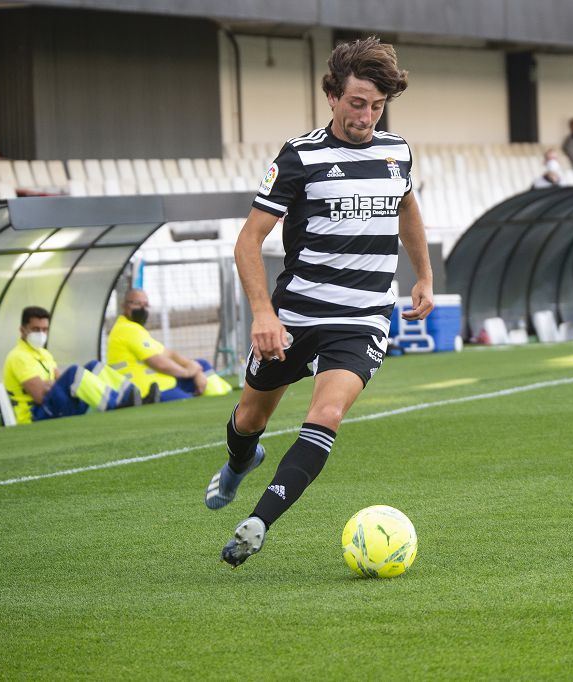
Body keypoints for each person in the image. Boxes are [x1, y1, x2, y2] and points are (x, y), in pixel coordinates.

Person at [205, 36, 434, 568]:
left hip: (363, 318)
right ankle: (240, 463)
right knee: (249, 420)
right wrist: (264, 313)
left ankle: (259, 521)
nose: (367, 116)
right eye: (357, 103)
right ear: (332, 95)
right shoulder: (300, 156)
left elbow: (407, 209)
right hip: (296, 315)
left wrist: (423, 276)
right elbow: (247, 241)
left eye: (377, 106)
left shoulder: (396, 151)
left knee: (327, 413)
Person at [3, 306, 142, 425]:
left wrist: (49, 383)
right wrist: (53, 383)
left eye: (45, 329)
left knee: (94, 366)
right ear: (22, 330)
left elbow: (58, 379)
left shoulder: (44, 354)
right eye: (36, 329)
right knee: (74, 373)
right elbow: (39, 395)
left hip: (55, 406)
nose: (41, 334)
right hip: (36, 415)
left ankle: (132, 395)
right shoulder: (18, 356)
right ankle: (115, 404)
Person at [106, 288, 232, 402]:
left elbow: (169, 354)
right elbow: (158, 363)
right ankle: (220, 397)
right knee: (191, 401)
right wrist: (188, 373)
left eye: (145, 305)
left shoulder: (134, 329)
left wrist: (194, 369)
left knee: (201, 364)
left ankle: (222, 394)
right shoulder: (127, 329)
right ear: (124, 306)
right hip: (146, 391)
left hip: (161, 383)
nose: (142, 309)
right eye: (137, 304)